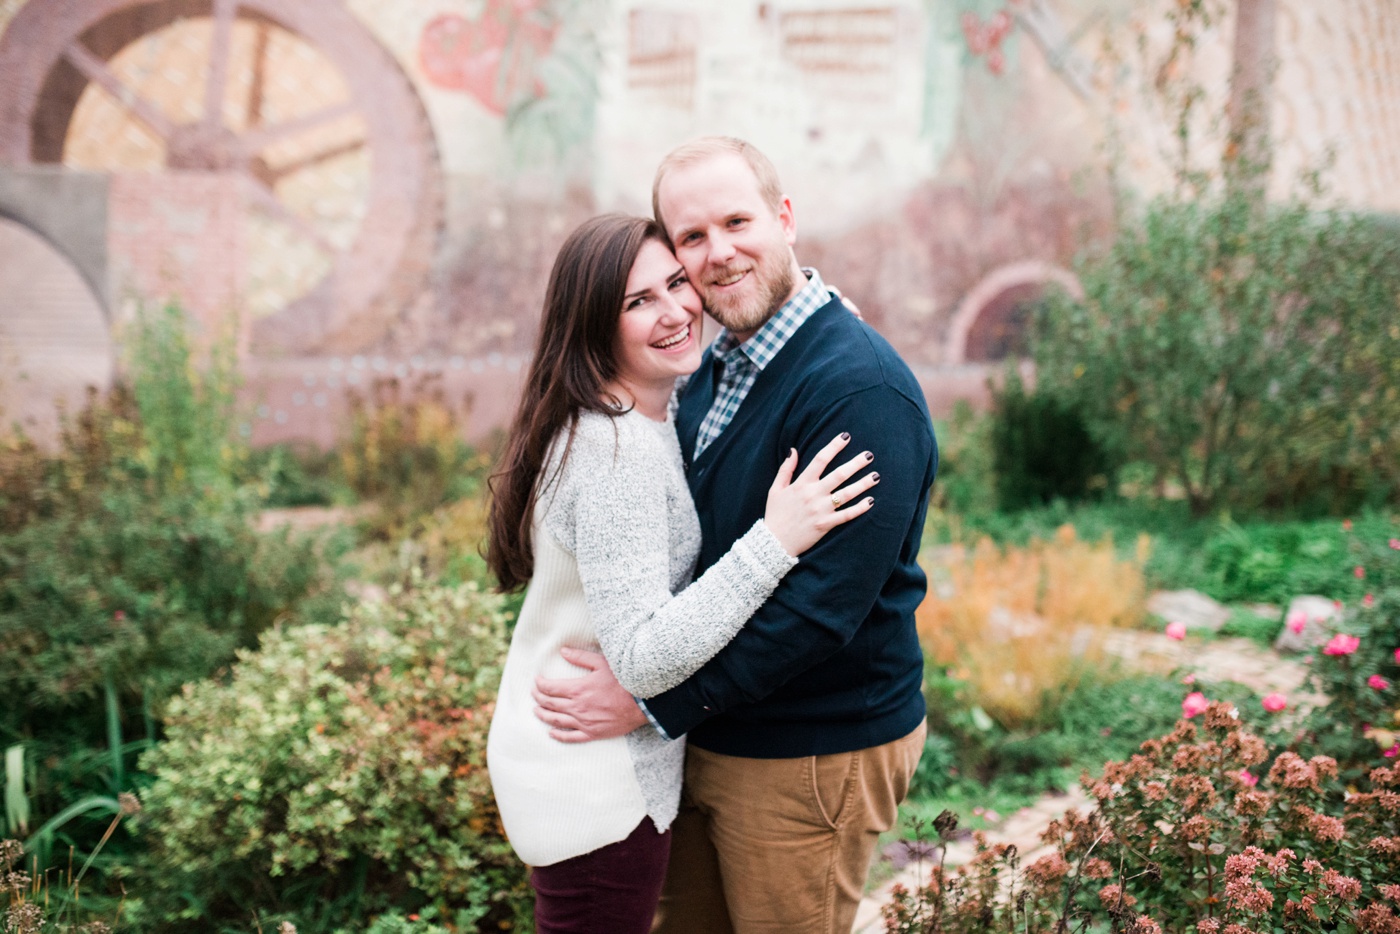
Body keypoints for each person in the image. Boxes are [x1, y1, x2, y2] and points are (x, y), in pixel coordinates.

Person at [531, 137, 939, 934]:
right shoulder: (716, 366)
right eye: (691, 238)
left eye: (737, 221)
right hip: (712, 736)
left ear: (785, 219)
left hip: (809, 749)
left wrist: (651, 704)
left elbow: (821, 612)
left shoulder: (861, 393)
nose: (718, 254)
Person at [483, 213, 880, 934]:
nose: (674, 311)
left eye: (676, 283)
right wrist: (777, 539)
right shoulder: (616, 454)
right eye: (638, 302)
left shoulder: (639, 414)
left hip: (580, 767)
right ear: (592, 325)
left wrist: (825, 328)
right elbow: (642, 656)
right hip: (596, 782)